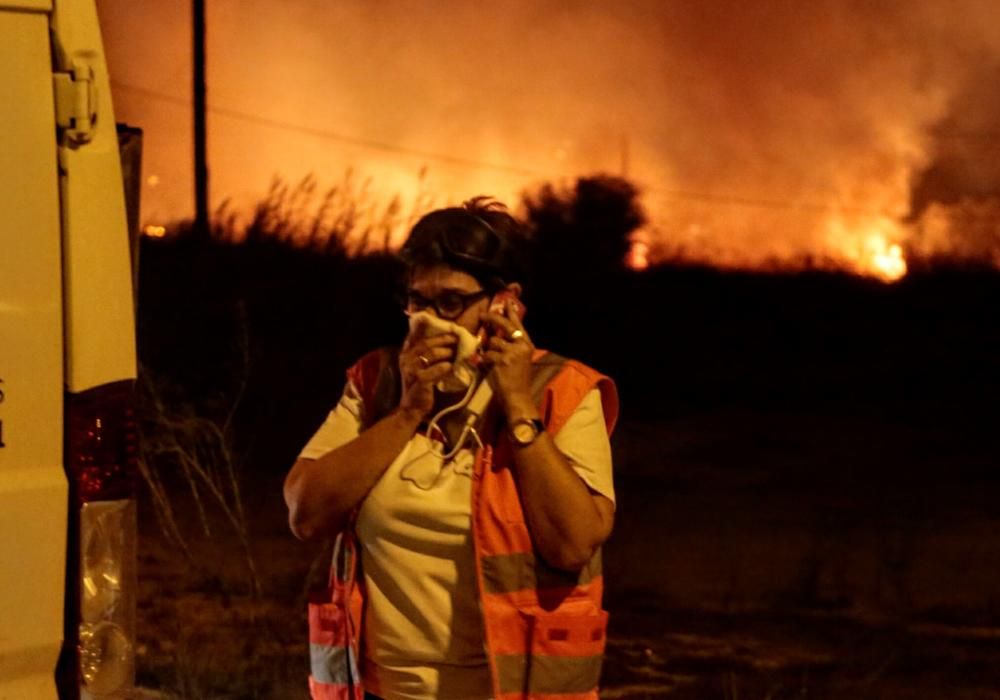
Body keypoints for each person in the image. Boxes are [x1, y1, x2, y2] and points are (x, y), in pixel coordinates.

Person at [284, 197, 618, 700]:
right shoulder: (378, 380)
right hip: (377, 690)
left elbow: (572, 543)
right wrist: (408, 411)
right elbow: (305, 513)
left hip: (506, 691)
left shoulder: (563, 391)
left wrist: (518, 404)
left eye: (451, 303)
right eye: (417, 301)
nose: (429, 320)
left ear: (505, 302)